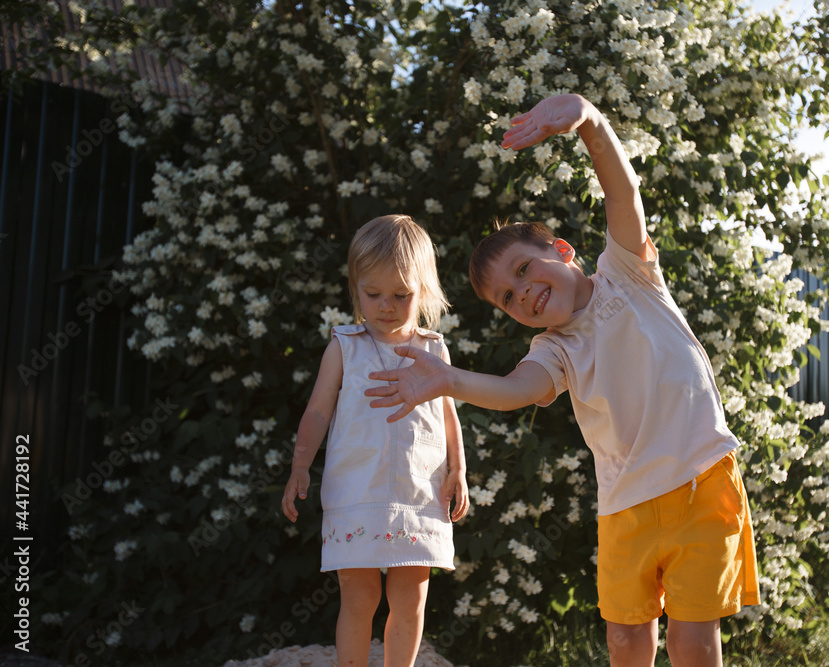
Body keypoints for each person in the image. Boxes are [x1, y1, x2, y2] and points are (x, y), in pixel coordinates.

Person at [365, 95, 760, 667]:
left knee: (693, 640)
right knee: (626, 639)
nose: (521, 291)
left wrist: (590, 121)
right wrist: (447, 379)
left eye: (524, 269)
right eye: (507, 296)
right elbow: (513, 391)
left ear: (564, 251)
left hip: (701, 481)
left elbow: (622, 193)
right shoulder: (555, 349)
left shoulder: (627, 274)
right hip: (625, 505)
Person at [282, 214, 469, 667]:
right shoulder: (345, 346)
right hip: (357, 490)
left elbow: (449, 416)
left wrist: (459, 470)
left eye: (401, 295)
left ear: (423, 292)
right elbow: (318, 411)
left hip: (419, 492)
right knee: (359, 596)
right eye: (373, 294)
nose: (386, 305)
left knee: (411, 598)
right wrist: (299, 466)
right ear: (355, 288)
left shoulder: (433, 350)